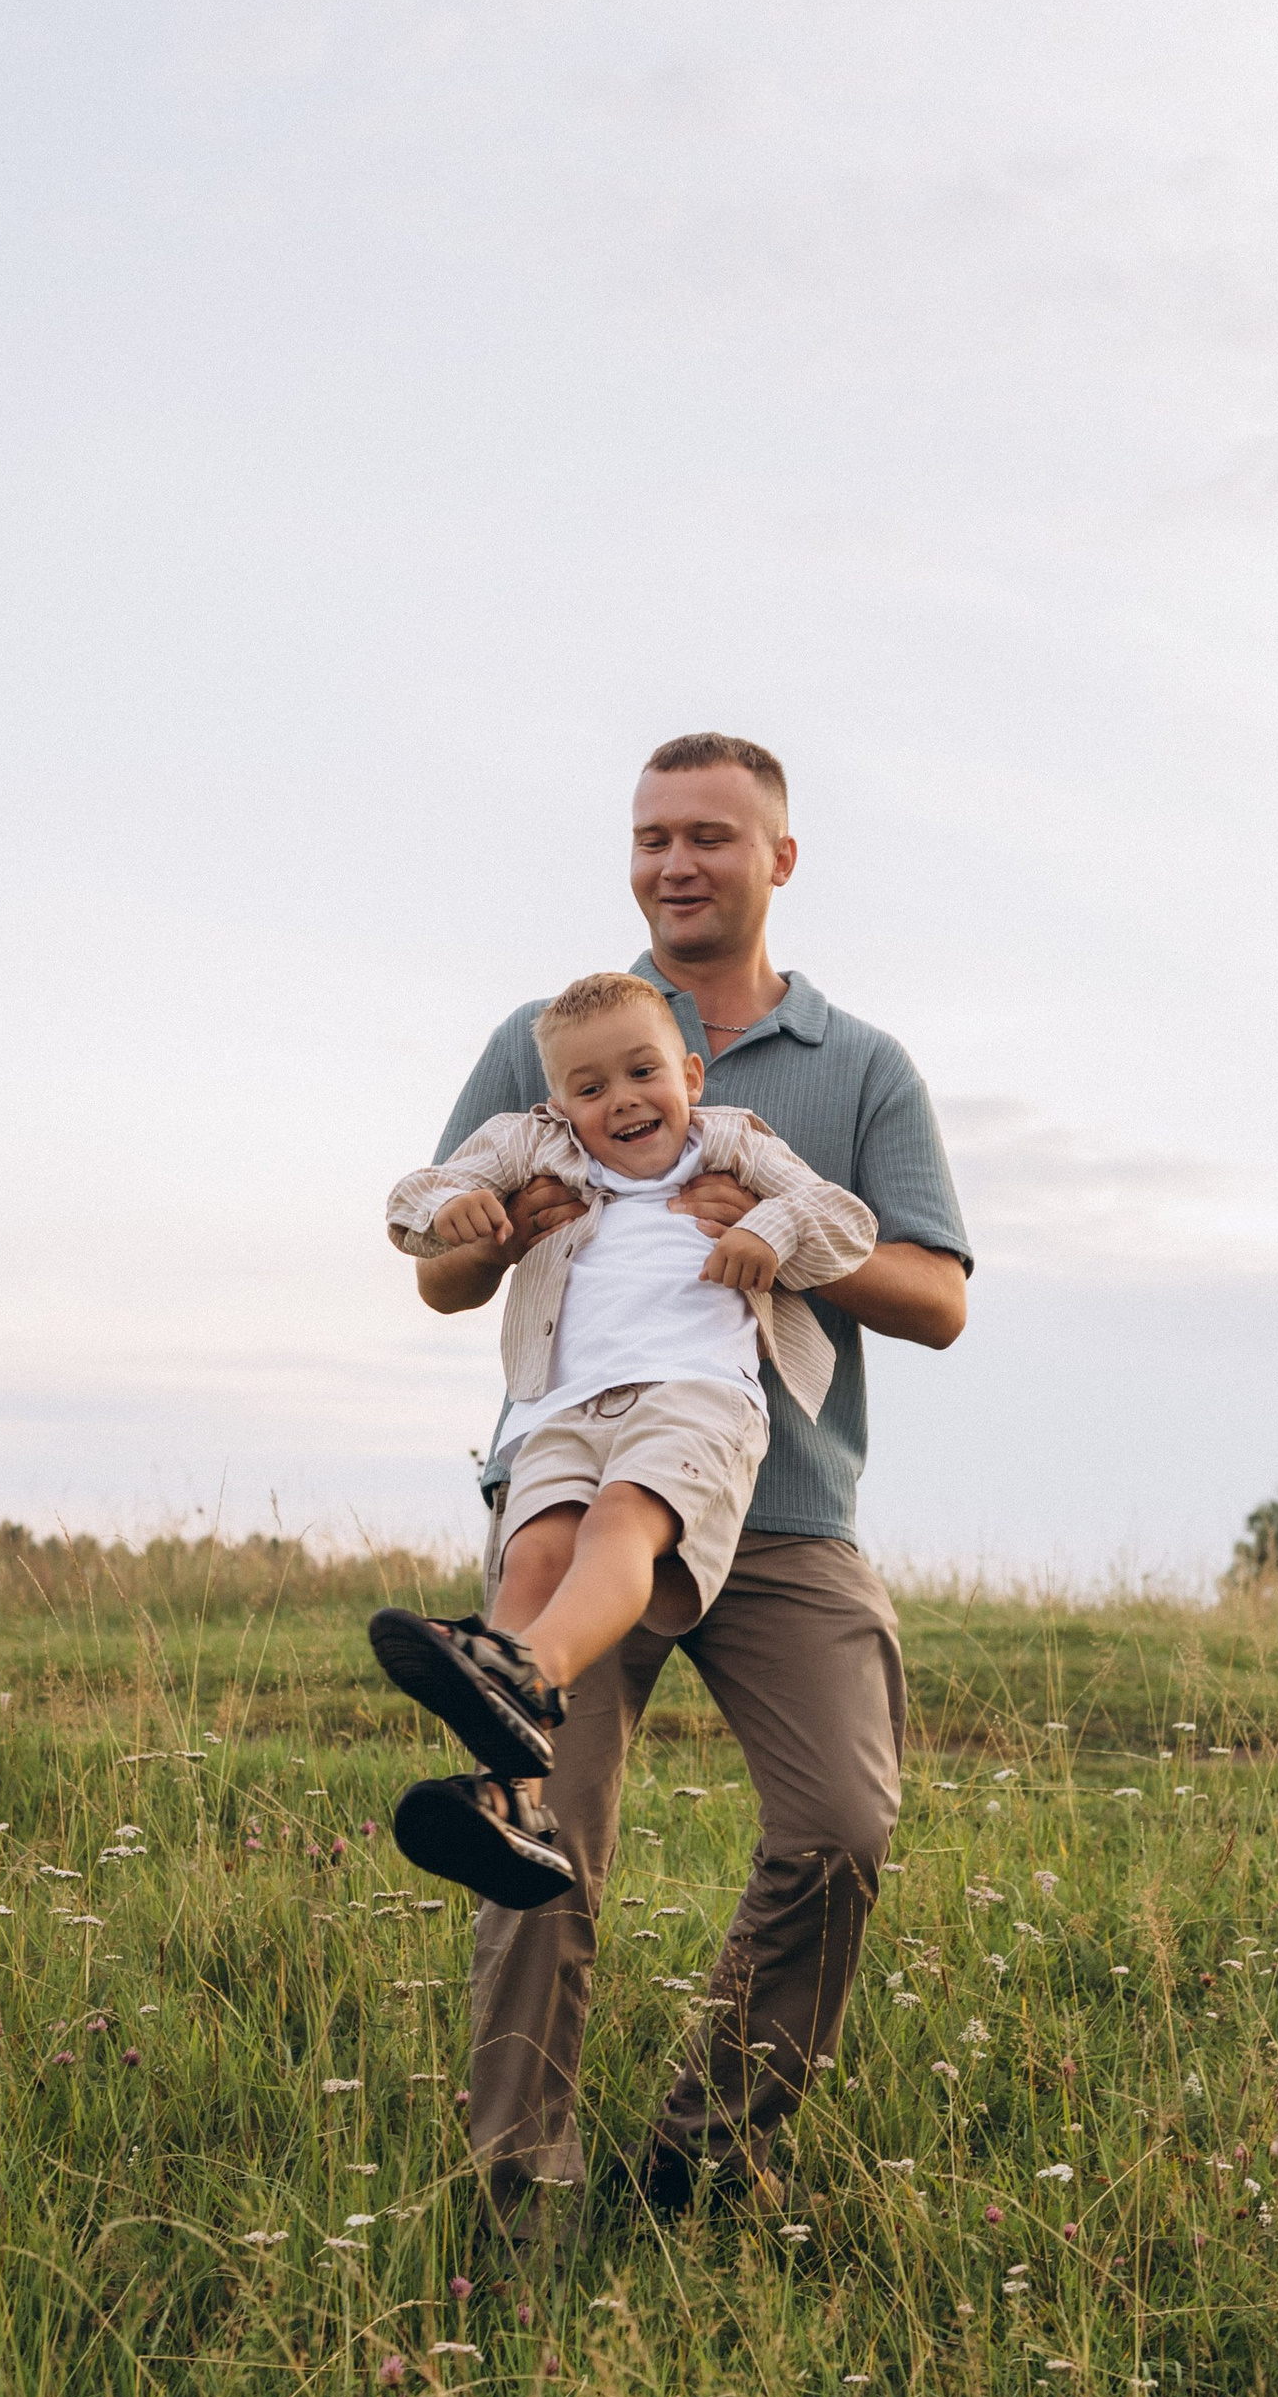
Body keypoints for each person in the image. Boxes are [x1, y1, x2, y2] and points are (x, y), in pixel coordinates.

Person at [409, 732, 971, 2238]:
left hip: (781, 1511)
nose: (676, 863)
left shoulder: (859, 1067)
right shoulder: (549, 1038)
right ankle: (516, 2202)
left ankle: (703, 2164)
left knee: (841, 1826)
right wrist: (497, 1231)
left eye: (710, 836)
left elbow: (938, 1299)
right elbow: (442, 1280)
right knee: (538, 1842)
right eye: (652, 836)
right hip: (577, 1484)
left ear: (778, 858)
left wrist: (781, 1237)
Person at [368, 968, 878, 1905]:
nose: (623, 1100)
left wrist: (771, 1230)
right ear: (557, 1104)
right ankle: (512, 1802)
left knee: (620, 1524)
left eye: (643, 1073)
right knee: (532, 1559)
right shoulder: (533, 1145)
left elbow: (842, 1220)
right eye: (590, 1087)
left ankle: (534, 1670)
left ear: (691, 1076)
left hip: (695, 1395)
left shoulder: (732, 1141)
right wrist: (450, 1213)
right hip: (563, 1407)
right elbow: (414, 1197)